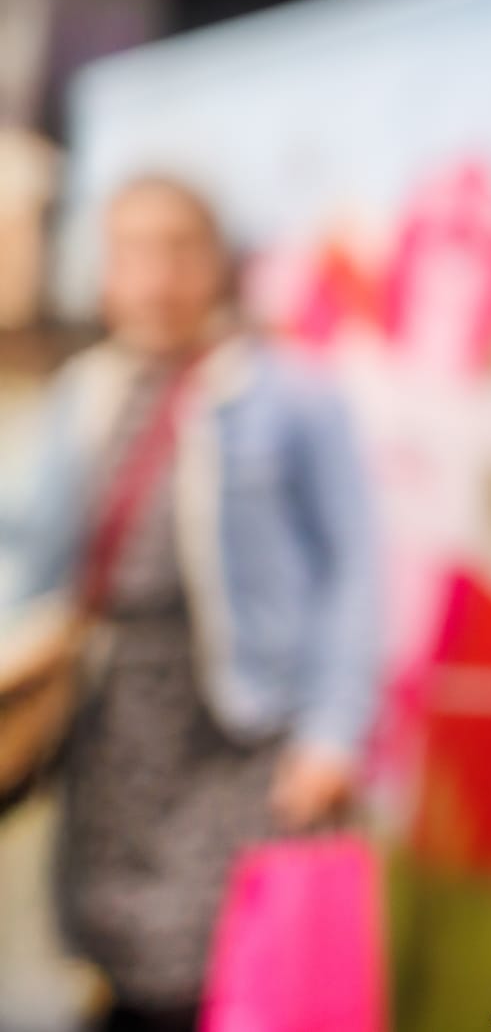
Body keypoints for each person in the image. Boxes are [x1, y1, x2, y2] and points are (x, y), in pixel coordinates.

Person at [6, 174, 382, 1032]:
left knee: (221, 963)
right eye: (132, 250)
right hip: (111, 728)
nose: (156, 275)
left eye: (178, 248)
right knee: (109, 951)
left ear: (216, 262)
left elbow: (353, 569)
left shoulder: (288, 392)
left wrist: (332, 731)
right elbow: (29, 555)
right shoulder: (85, 391)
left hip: (237, 728)